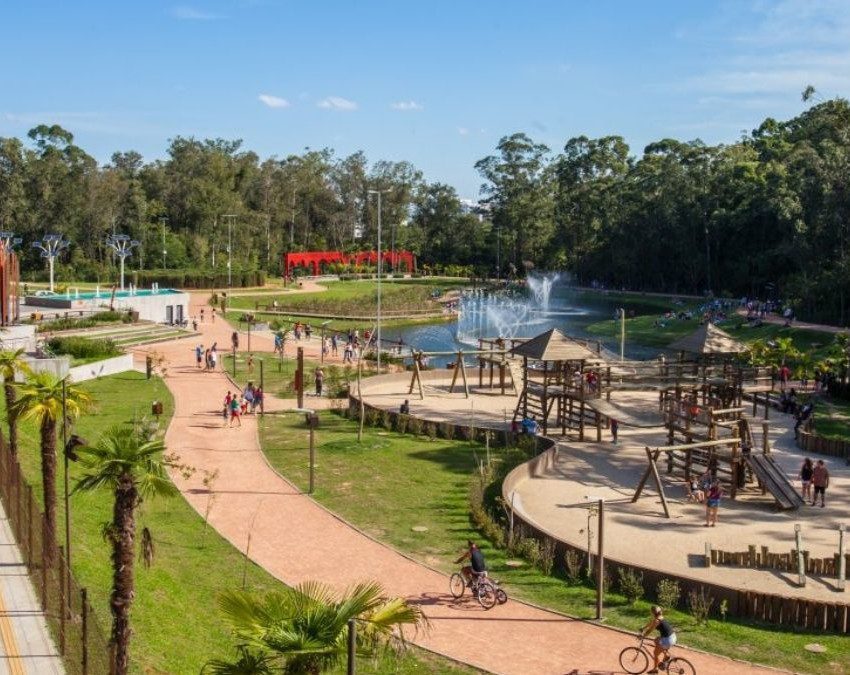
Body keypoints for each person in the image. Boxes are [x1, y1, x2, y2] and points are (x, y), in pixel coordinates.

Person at [640, 605, 677, 673]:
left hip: (668, 640)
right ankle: (666, 655)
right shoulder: (660, 617)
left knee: (655, 653)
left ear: (653, 612)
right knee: (656, 640)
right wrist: (643, 628)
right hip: (672, 636)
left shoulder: (657, 621)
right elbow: (651, 623)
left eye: (651, 612)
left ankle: (655, 669)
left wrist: (643, 636)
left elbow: (650, 630)